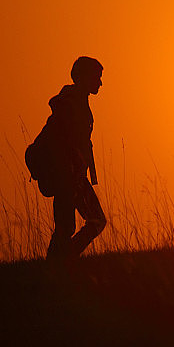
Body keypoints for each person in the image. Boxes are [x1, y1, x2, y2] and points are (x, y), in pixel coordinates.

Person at [37, 56, 107, 262]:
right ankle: (60, 262)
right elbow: (66, 141)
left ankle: (61, 261)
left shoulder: (76, 103)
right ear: (84, 77)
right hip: (66, 176)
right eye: (97, 77)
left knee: (74, 225)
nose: (100, 83)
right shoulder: (71, 105)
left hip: (73, 176)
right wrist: (71, 170)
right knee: (71, 225)